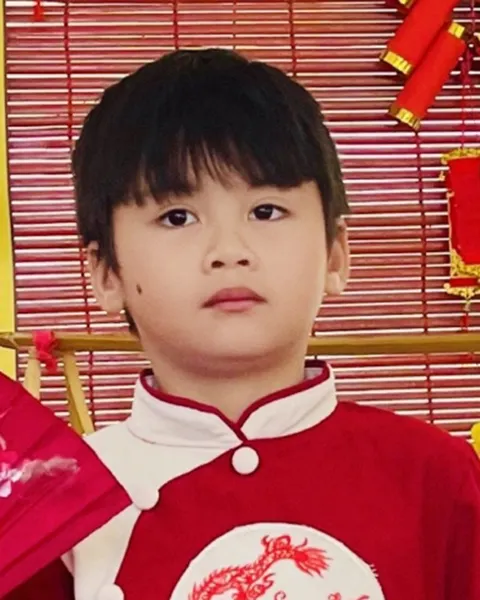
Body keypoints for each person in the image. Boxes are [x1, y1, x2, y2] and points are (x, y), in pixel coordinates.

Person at [5, 48, 480, 600]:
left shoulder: (436, 474)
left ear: (335, 253)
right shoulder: (54, 503)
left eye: (266, 211)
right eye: (177, 217)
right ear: (107, 272)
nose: (228, 251)